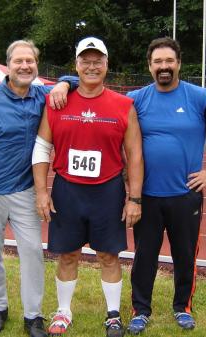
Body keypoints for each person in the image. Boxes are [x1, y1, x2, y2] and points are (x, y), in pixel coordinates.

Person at [0, 40, 76, 337]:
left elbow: (76, 79)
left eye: (30, 61)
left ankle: (33, 316)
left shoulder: (43, 95)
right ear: (8, 65)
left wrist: (62, 84)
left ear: (36, 65)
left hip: (25, 191)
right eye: (18, 61)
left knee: (33, 252)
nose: (24, 66)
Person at [126, 37, 206, 334]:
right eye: (157, 62)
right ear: (149, 66)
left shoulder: (199, 97)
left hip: (185, 196)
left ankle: (182, 307)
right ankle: (140, 310)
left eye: (169, 61)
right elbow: (94, 92)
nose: (163, 67)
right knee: (144, 257)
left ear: (178, 63)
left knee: (185, 255)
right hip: (147, 196)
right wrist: (65, 82)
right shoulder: (136, 99)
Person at [32, 37, 144, 337]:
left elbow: (135, 155)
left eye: (98, 61)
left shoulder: (124, 105)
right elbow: (42, 148)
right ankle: (63, 311)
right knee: (67, 254)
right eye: (86, 60)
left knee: (109, 255)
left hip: (108, 191)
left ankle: (112, 314)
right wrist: (42, 192)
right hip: (67, 191)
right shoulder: (56, 101)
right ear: (76, 65)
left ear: (107, 65)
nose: (92, 66)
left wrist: (134, 198)